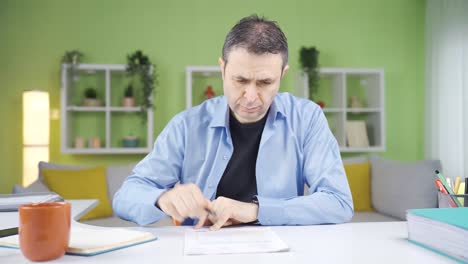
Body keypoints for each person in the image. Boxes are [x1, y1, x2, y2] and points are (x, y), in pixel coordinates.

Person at [113, 15, 353, 230]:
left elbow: (339, 202)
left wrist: (254, 211)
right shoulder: (186, 126)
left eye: (265, 82)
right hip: (199, 251)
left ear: (282, 75)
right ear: (222, 68)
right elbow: (125, 197)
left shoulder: (307, 118)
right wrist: (161, 198)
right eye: (240, 80)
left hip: (280, 252)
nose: (250, 97)